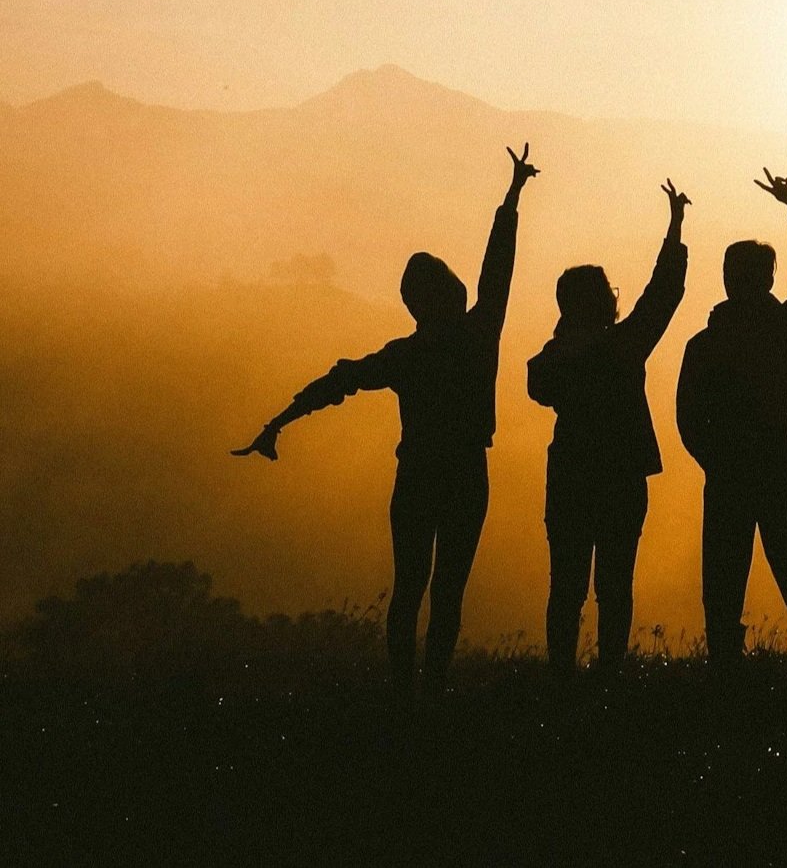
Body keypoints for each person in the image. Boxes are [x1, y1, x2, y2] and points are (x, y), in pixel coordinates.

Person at [232, 145, 538, 693]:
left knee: (413, 589)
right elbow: (498, 269)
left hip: (422, 474)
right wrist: (511, 198)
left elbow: (338, 380)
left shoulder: (410, 354)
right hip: (463, 474)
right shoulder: (476, 335)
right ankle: (429, 691)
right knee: (443, 592)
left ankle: (406, 695)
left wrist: (278, 422)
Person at [528, 180, 690, 672]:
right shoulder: (624, 346)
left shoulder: (553, 357)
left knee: (567, 587)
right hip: (622, 477)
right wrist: (675, 229)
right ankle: (610, 674)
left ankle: (562, 675)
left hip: (571, 476)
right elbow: (663, 295)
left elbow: (538, 389)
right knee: (615, 587)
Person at [676, 169, 787, 667]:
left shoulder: (705, 344)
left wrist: (715, 459)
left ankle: (725, 667)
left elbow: (688, 417)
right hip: (779, 467)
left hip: (726, 474)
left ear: (727, 278)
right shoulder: (785, 328)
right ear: (767, 278)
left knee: (723, 579)